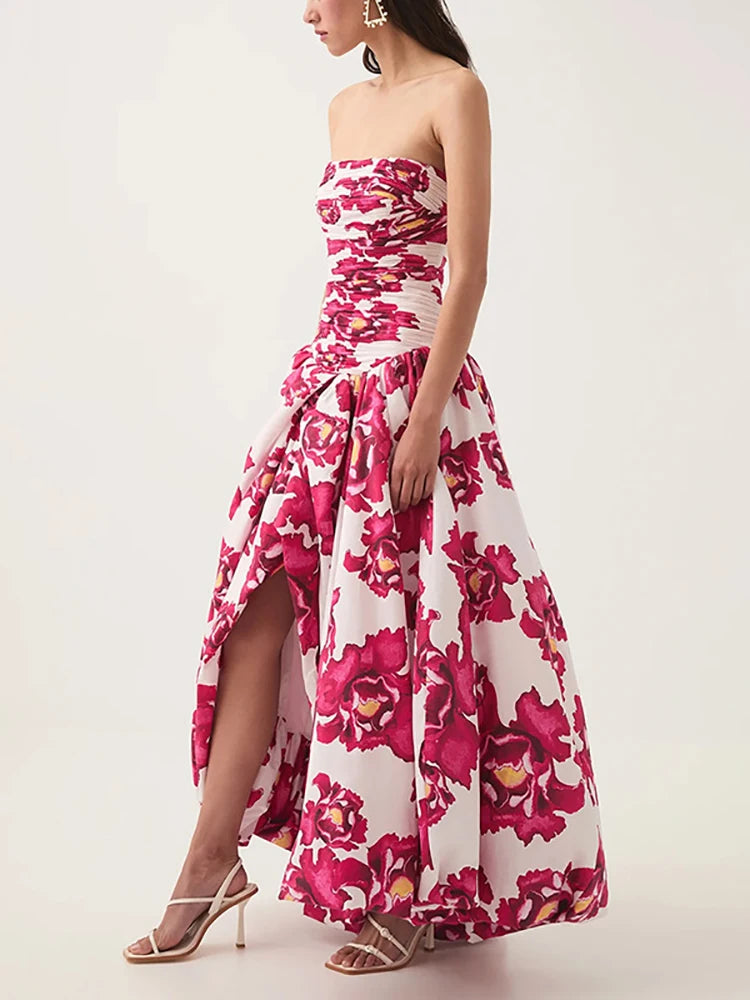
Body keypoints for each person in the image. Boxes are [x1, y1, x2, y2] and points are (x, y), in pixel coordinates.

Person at [123, 0, 609, 976]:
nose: (305, 14)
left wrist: (424, 419)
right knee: (257, 612)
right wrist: (312, 397)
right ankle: (212, 860)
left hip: (414, 400)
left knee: (399, 638)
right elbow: (345, 275)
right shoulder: (346, 108)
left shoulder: (456, 94)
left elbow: (466, 273)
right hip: (326, 394)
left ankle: (413, 888)